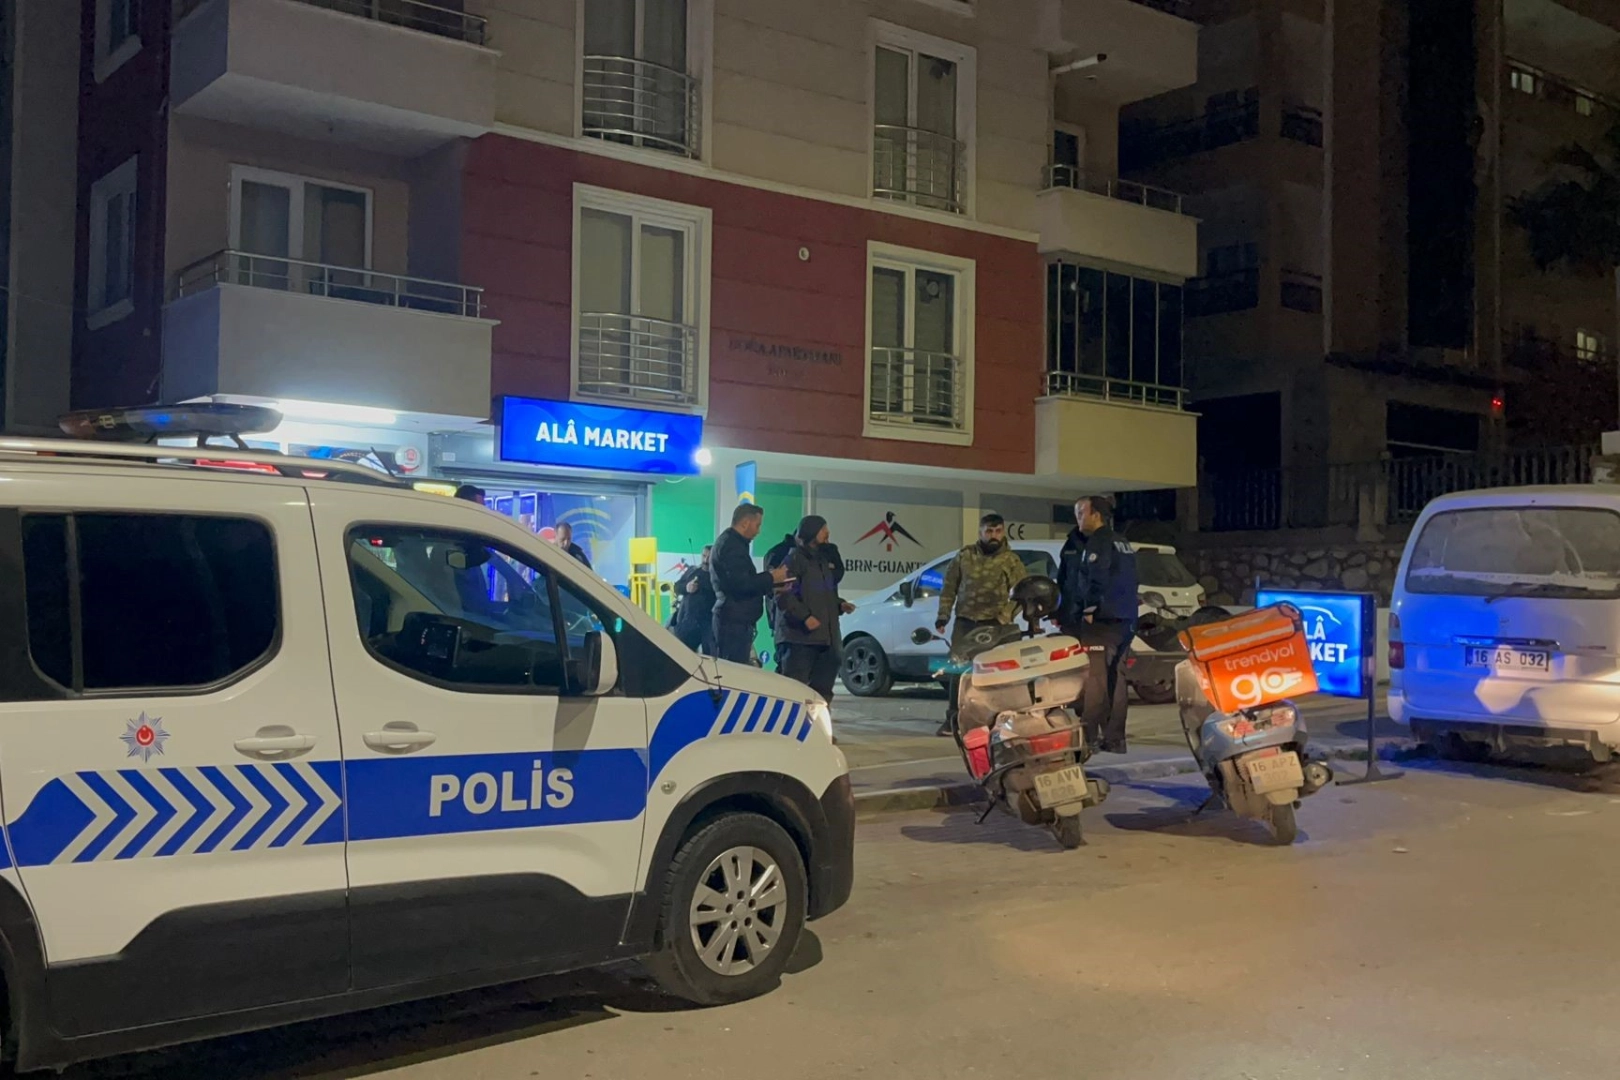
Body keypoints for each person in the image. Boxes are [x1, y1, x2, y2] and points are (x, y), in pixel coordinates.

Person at [933, 513, 1030, 736]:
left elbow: (1021, 594)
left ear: (1003, 532)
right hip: (966, 622)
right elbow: (949, 587)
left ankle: (998, 719)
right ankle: (954, 719)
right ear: (980, 532)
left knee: (998, 675)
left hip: (997, 626)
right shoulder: (964, 556)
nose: (993, 535)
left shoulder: (1011, 561)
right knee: (958, 671)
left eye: (997, 531)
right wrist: (943, 616)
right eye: (989, 531)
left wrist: (1004, 616)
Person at [1056, 494, 1139, 754]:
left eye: (1082, 513)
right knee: (1116, 679)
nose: (1078, 518)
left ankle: (1089, 736)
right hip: (1125, 619)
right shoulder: (1121, 542)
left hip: (1103, 621)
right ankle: (1115, 739)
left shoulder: (1099, 541)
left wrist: (1089, 608)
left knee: (1096, 680)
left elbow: (1096, 578)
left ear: (1096, 515)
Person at [774, 516, 851, 703]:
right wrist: (805, 617)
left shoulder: (822, 561)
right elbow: (783, 595)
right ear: (811, 532)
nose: (827, 533)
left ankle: (818, 722)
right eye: (823, 529)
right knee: (795, 692)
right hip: (800, 640)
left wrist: (839, 604)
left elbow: (822, 594)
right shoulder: (793, 560)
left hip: (825, 640)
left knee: (822, 693)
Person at [711, 503, 789, 664]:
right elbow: (741, 584)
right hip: (734, 622)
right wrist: (771, 577)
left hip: (736, 619)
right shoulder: (731, 546)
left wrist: (773, 585)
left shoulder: (732, 543)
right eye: (757, 525)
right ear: (745, 523)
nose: (758, 531)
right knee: (733, 670)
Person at [672, 546, 716, 655]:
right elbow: (677, 587)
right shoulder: (692, 571)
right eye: (704, 556)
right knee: (681, 655)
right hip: (688, 622)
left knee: (710, 658)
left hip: (709, 625)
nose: (706, 560)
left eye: (709, 557)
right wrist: (687, 587)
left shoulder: (718, 576)